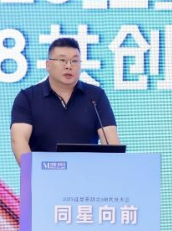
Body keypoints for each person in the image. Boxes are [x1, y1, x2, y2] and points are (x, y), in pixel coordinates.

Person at [10, 37, 120, 165]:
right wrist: (33, 172)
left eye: (74, 61)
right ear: (48, 65)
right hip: (44, 173)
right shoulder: (28, 97)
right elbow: (19, 140)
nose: (69, 66)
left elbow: (111, 141)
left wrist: (114, 168)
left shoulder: (95, 97)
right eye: (62, 60)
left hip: (88, 173)